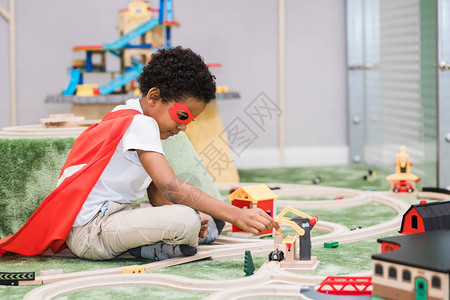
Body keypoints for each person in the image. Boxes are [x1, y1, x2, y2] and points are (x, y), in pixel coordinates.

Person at [0, 46, 279, 260]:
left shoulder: (132, 117)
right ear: (154, 97)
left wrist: (189, 211)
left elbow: (156, 192)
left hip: (111, 219)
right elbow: (170, 187)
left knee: (189, 213)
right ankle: (160, 244)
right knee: (186, 219)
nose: (183, 127)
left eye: (189, 121)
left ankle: (177, 236)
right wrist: (234, 214)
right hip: (92, 233)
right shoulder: (141, 123)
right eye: (181, 115)